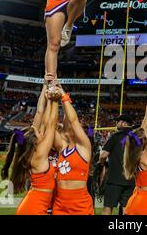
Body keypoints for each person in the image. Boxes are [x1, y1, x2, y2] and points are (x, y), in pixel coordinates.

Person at [1, 78, 59, 215]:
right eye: (38, 132)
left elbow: (39, 112)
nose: (40, 132)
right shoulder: (38, 155)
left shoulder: (32, 152)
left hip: (36, 203)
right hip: (35, 206)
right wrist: (53, 100)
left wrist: (45, 86)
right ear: (34, 141)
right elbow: (51, 124)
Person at [52, 85, 94, 215]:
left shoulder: (84, 146)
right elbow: (50, 126)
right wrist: (53, 99)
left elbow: (74, 121)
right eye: (66, 123)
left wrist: (64, 96)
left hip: (80, 205)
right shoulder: (62, 147)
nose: (69, 125)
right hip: (59, 204)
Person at [99, 113, 135, 215]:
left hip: (114, 179)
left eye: (117, 121)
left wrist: (102, 164)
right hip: (130, 180)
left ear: (123, 123)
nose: (116, 123)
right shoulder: (136, 138)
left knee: (108, 207)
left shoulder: (115, 136)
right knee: (126, 208)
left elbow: (103, 155)